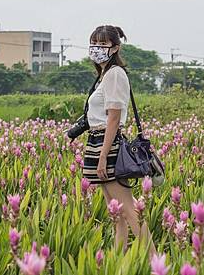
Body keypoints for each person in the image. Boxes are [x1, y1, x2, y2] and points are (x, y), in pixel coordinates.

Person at [81, 25, 157, 256]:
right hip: (98, 142)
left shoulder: (114, 74)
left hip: (108, 144)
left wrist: (104, 155)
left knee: (129, 210)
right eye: (94, 43)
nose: (97, 48)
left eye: (103, 44)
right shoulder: (104, 75)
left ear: (115, 48)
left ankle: (156, 263)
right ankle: (119, 259)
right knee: (116, 213)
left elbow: (114, 117)